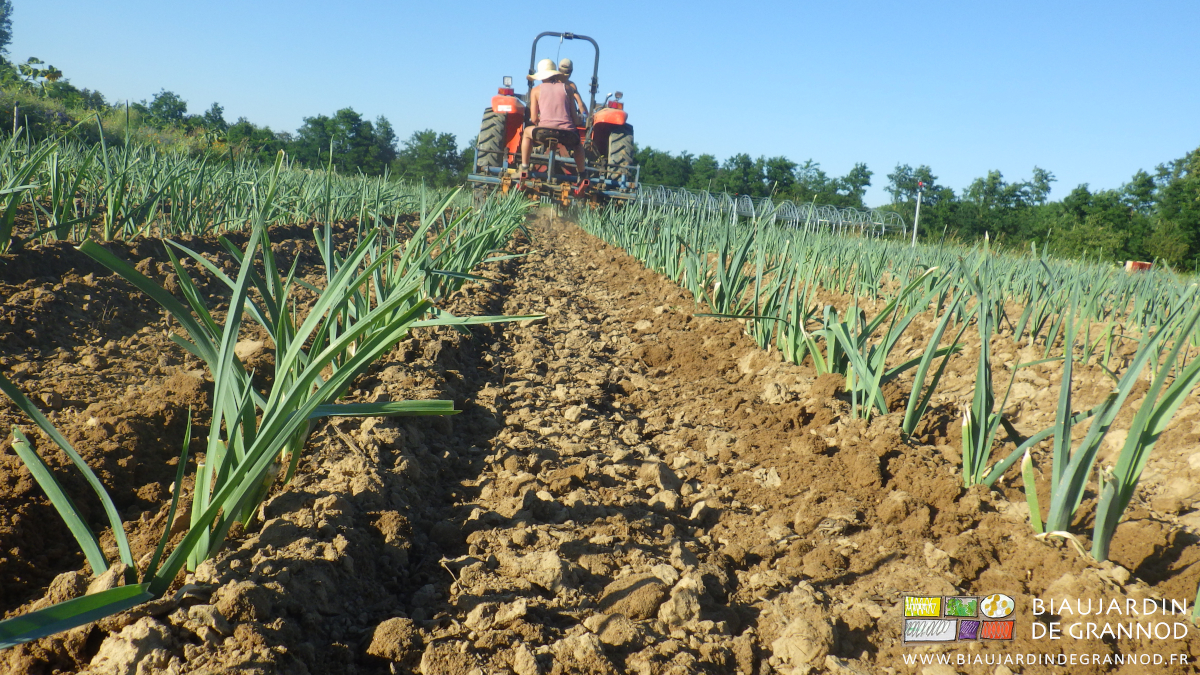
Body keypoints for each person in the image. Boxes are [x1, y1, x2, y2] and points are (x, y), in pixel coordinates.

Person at [520, 59, 585, 181]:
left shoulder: (536, 90)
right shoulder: (568, 89)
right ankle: (582, 174)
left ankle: (524, 168)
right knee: (577, 144)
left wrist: (543, 119)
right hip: (567, 133)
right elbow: (575, 119)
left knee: (526, 134)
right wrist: (579, 120)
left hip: (543, 132)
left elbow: (533, 119)